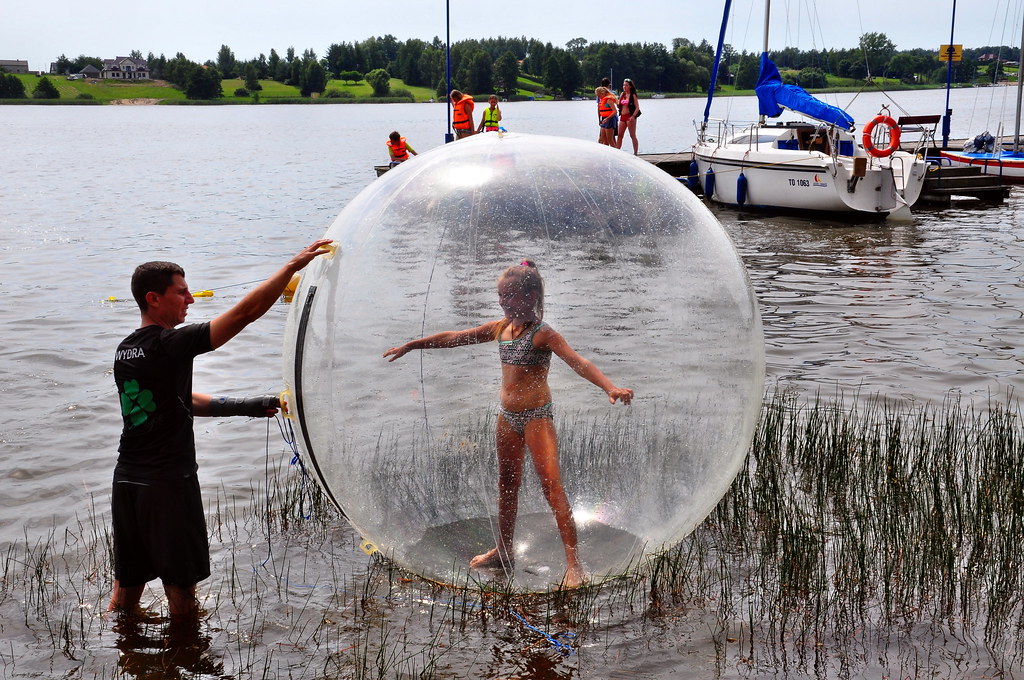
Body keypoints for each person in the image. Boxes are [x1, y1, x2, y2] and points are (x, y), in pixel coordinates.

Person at [108, 239, 334, 620]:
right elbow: (244, 313)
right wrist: (291, 266)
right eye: (181, 293)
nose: (190, 300)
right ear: (154, 298)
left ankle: (122, 655)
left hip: (128, 482)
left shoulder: (126, 348)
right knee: (181, 593)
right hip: (168, 483)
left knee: (126, 592)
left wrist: (248, 405)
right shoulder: (169, 343)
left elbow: (181, 400)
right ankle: (187, 655)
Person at [383, 260, 633, 588]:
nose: (502, 302)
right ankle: (503, 551)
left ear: (530, 296)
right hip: (507, 418)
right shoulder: (500, 328)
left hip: (536, 418)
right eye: (500, 296)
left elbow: (578, 362)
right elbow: (457, 337)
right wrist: (413, 345)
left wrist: (609, 387)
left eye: (508, 296)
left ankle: (574, 563)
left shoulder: (543, 335)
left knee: (552, 488)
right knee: (507, 487)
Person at [615, 78, 641, 155]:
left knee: (632, 135)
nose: (624, 87)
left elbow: (637, 108)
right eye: (623, 85)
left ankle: (635, 153)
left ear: (630, 86)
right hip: (622, 116)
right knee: (619, 135)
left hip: (630, 116)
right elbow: (619, 105)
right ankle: (617, 152)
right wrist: (616, 103)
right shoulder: (622, 94)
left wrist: (633, 116)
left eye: (626, 85)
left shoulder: (633, 95)